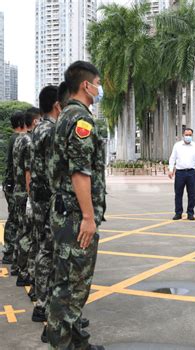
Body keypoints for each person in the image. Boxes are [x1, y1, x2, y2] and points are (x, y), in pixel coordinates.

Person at [47, 60, 106, 350]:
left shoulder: (66, 116)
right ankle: (62, 345)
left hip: (65, 212)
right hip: (73, 216)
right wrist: (88, 216)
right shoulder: (80, 119)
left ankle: (76, 342)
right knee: (70, 288)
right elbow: (80, 171)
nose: (99, 88)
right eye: (97, 82)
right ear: (86, 85)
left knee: (73, 283)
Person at [29, 86, 61, 324]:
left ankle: (42, 302)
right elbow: (54, 168)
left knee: (42, 247)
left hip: (39, 196)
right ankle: (44, 305)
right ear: (56, 104)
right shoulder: (49, 130)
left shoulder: (38, 128)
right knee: (49, 251)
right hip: (48, 197)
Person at [12, 109, 40, 287]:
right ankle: (25, 272)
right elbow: (29, 172)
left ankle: (19, 267)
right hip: (25, 193)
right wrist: (31, 197)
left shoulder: (19, 139)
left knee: (22, 231)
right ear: (34, 121)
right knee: (28, 235)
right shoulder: (28, 142)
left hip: (18, 190)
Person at [1, 112, 24, 265]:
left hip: (11, 183)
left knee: (14, 217)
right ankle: (10, 251)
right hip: (16, 185)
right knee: (16, 218)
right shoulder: (19, 139)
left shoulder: (12, 139)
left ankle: (10, 251)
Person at [168, 128, 195, 220]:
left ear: (192, 135)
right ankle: (178, 213)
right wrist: (170, 169)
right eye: (186, 135)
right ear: (183, 135)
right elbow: (172, 158)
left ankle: (190, 213)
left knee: (192, 194)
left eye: (190, 135)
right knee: (178, 194)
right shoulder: (177, 145)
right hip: (180, 172)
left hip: (191, 173)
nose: (188, 136)